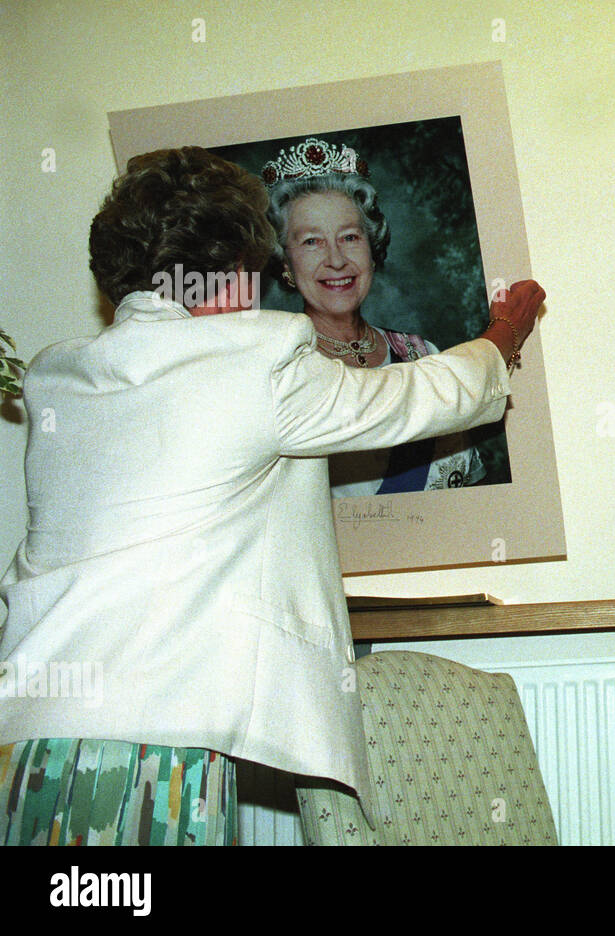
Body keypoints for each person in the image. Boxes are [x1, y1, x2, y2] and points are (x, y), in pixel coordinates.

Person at [0, 146, 543, 845]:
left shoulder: (56, 376)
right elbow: (418, 396)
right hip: (149, 743)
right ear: (232, 271)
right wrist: (504, 335)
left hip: (27, 740)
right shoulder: (251, 361)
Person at [261, 137, 487, 497]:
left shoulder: (423, 355)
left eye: (349, 237)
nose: (336, 260)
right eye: (311, 242)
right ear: (285, 262)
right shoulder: (277, 376)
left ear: (371, 246)